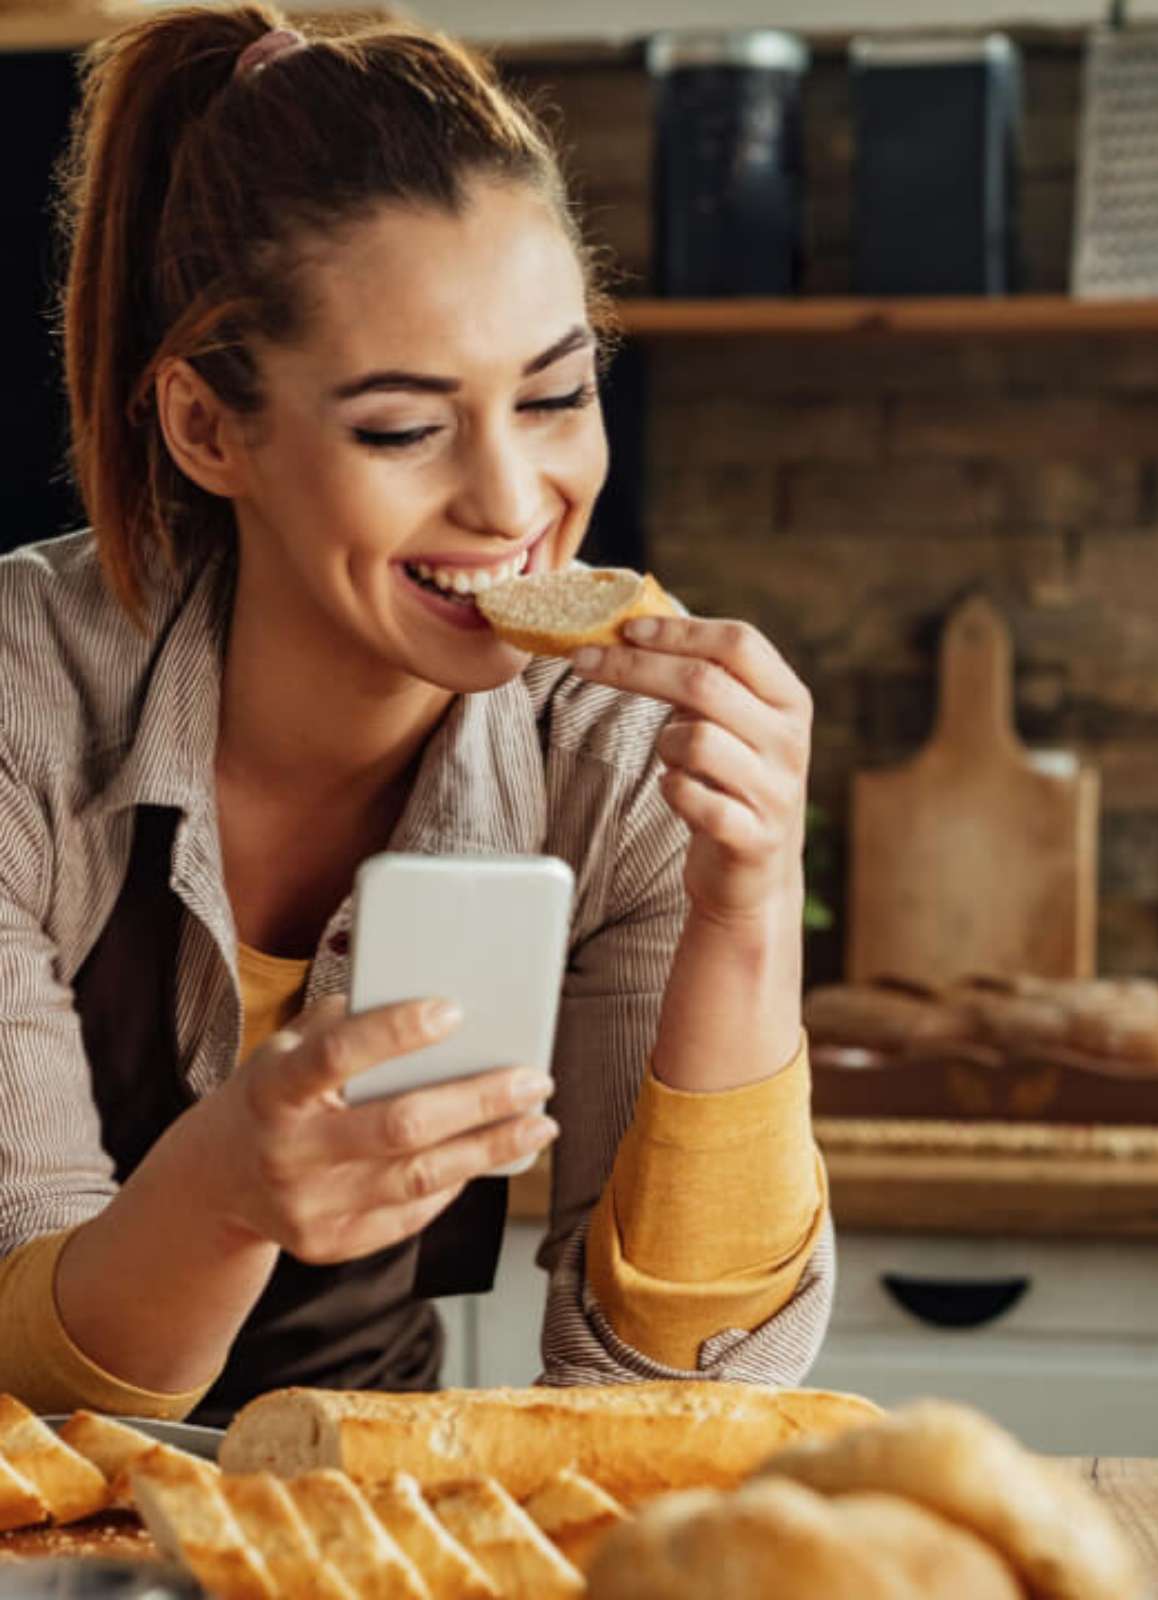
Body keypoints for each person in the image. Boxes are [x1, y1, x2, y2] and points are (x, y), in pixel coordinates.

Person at [0, 3, 831, 1425]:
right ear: (208, 428)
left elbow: (681, 1396)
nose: (514, 505)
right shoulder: (26, 699)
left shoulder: (619, 749)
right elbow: (17, 1398)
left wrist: (746, 910)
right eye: (403, 426)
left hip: (362, 1507)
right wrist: (227, 1191)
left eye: (557, 396)